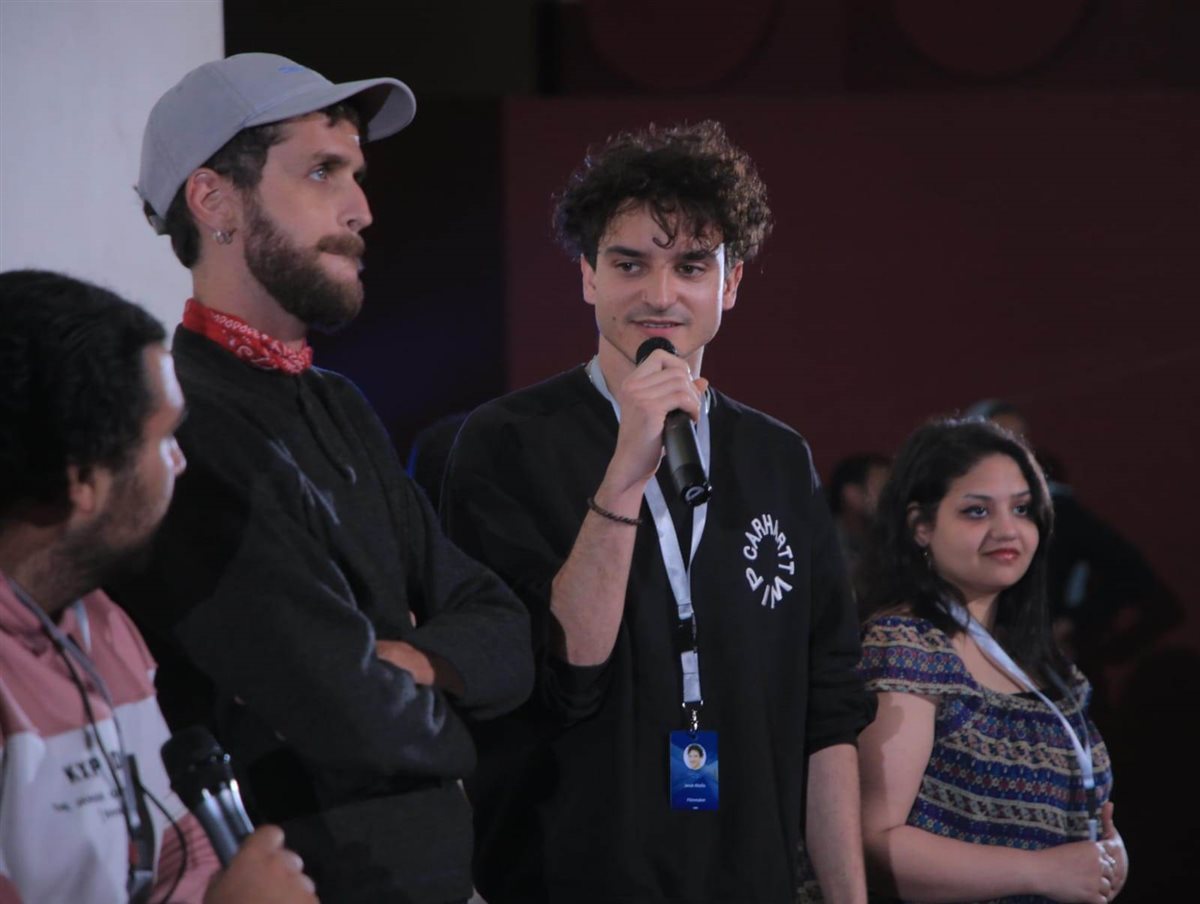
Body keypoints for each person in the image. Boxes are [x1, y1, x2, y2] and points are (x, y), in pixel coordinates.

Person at [109, 54, 533, 903]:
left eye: (357, 176)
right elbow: (343, 710)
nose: (361, 209)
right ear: (214, 200)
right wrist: (454, 713)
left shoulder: (338, 403)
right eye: (321, 172)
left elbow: (505, 628)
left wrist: (411, 661)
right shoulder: (180, 422)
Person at [442, 121, 874, 903]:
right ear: (588, 276)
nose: (661, 295)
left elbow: (829, 706)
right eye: (630, 264)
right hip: (567, 875)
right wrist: (624, 472)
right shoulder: (506, 442)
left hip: (748, 878)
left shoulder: (778, 458)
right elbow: (561, 674)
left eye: (691, 266)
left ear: (730, 285)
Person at [0, 270, 317, 904]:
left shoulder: (102, 623)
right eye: (164, 438)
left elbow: (180, 863)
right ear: (84, 479)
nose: (180, 462)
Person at [854, 418, 1128, 903]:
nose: (1007, 529)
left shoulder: (1040, 659)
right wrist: (1040, 871)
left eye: (1022, 508)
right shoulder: (907, 645)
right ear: (921, 527)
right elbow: (873, 842)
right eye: (977, 511)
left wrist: (1106, 856)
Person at [965, 399, 1181, 698]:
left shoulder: (1057, 511)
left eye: (1021, 441)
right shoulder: (956, 519)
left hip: (1056, 684)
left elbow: (1145, 586)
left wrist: (1077, 626)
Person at [827, 453, 892, 604]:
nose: (891, 497)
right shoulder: (825, 547)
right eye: (881, 487)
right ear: (852, 495)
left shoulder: (888, 539)